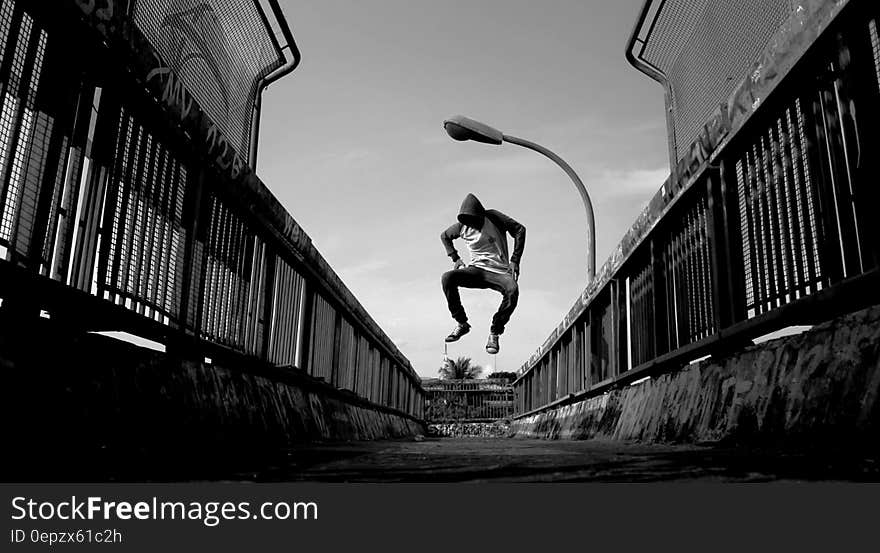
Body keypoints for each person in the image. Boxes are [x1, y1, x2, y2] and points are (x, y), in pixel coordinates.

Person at [440, 193, 525, 354]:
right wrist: (455, 258)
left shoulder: (493, 217)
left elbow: (520, 229)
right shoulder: (461, 226)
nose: (473, 225)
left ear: (481, 215)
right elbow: (444, 236)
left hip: (498, 272)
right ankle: (461, 323)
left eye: (476, 221)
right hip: (476, 271)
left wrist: (515, 260)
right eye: (469, 222)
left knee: (512, 289)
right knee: (447, 278)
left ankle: (495, 332)